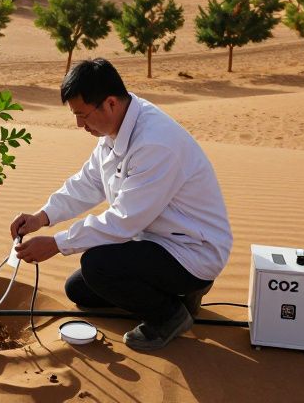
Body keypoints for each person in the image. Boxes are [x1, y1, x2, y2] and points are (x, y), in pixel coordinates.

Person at [12, 58, 232, 351]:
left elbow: (123, 221)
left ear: (111, 104)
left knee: (97, 266)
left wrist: (57, 244)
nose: (79, 125)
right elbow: (89, 182)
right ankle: (179, 295)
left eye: (83, 115)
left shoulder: (155, 143)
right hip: (154, 242)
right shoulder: (116, 127)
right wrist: (43, 216)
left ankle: (170, 316)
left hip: (192, 251)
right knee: (79, 289)